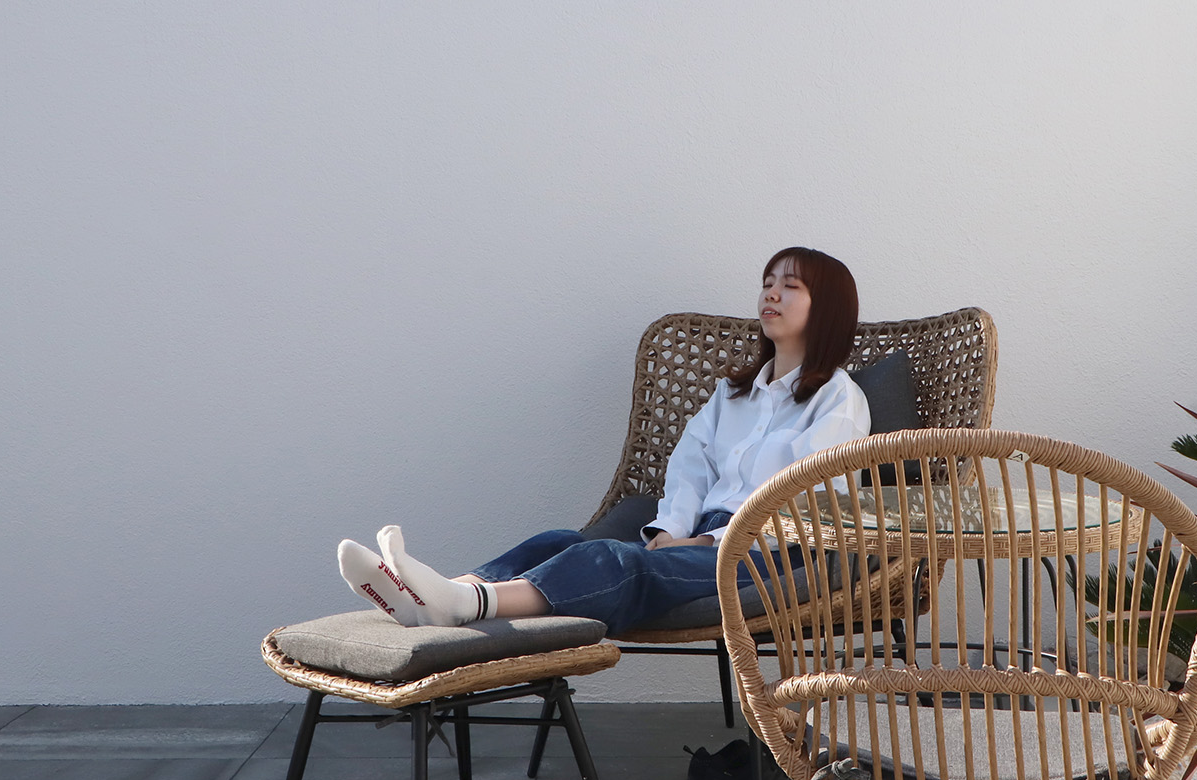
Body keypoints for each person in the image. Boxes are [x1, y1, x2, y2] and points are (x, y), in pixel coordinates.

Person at [336, 247, 871, 635]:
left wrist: (709, 544)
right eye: (767, 281)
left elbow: (810, 504)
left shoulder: (838, 401)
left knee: (613, 560)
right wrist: (672, 529)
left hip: (768, 553)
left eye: (790, 286)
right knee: (558, 541)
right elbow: (690, 468)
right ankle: (426, 596)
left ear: (825, 308)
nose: (770, 293)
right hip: (698, 536)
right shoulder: (732, 395)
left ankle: (460, 603)